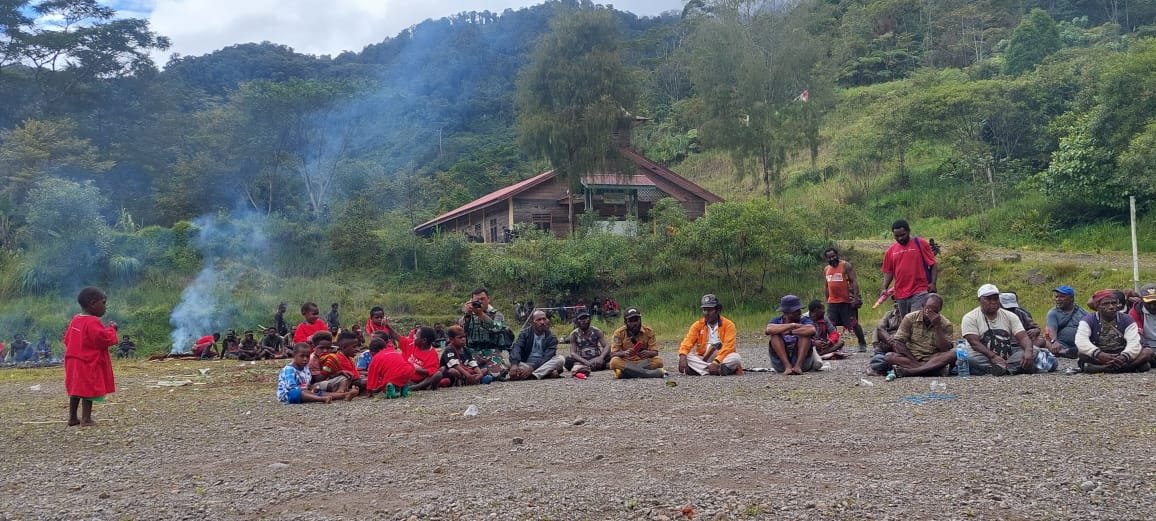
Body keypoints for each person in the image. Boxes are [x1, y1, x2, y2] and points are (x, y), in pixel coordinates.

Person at [63, 287, 119, 427]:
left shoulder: (75, 319)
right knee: (87, 390)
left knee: (76, 390)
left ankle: (72, 418)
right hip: (87, 362)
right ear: (93, 303)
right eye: (103, 303)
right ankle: (86, 418)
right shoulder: (92, 322)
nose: (105, 307)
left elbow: (67, 339)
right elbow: (102, 339)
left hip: (72, 360)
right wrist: (112, 329)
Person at [961, 284, 1038, 376]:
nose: (993, 302)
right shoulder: (970, 317)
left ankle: (1001, 369)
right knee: (969, 357)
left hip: (1007, 354)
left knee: (1034, 350)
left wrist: (1028, 351)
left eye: (996, 299)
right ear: (980, 300)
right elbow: (974, 344)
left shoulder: (1010, 316)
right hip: (983, 355)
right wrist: (993, 356)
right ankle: (1014, 367)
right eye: (988, 299)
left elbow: (1023, 337)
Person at [1074, 289, 1153, 373]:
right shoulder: (1088, 320)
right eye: (1105, 304)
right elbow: (1081, 340)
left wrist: (1124, 356)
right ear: (1097, 307)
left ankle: (1105, 368)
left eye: (1114, 303)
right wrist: (1099, 354)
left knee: (1147, 352)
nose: (1111, 307)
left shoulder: (1127, 319)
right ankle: (1126, 368)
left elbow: (1134, 342)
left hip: (1122, 353)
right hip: (1100, 354)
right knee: (1082, 354)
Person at [877, 293, 954, 378]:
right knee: (889, 356)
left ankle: (910, 372)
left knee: (953, 354)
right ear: (922, 306)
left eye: (935, 310)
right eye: (928, 308)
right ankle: (930, 371)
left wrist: (937, 327)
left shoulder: (946, 324)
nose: (930, 312)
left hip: (933, 358)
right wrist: (915, 362)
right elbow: (898, 342)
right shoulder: (910, 318)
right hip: (911, 357)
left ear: (939, 310)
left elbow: (945, 349)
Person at [880, 219, 938, 316]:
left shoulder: (920, 243)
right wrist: (884, 288)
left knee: (915, 319)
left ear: (908, 231)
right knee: (906, 321)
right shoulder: (891, 251)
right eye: (897, 236)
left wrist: (933, 283)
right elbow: (888, 272)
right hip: (900, 293)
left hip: (920, 290)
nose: (900, 238)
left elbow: (933, 265)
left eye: (903, 235)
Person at [678, 294, 740, 376]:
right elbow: (687, 342)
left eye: (710, 310)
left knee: (736, 358)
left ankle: (701, 370)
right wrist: (683, 356)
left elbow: (728, 347)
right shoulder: (697, 325)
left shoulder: (729, 325)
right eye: (704, 310)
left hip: (722, 358)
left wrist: (716, 362)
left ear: (718, 310)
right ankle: (716, 370)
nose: (706, 313)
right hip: (704, 358)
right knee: (683, 355)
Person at [823, 248, 868, 352]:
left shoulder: (845, 265)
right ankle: (835, 345)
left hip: (846, 301)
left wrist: (855, 298)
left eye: (833, 256)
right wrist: (827, 299)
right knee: (830, 324)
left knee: (853, 323)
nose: (832, 259)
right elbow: (827, 286)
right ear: (826, 259)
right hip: (832, 302)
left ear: (837, 255)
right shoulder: (826, 269)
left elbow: (854, 281)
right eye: (829, 257)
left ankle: (862, 343)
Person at [459, 287, 511, 376]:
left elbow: (496, 328)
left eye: (482, 299)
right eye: (476, 300)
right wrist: (467, 314)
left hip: (491, 351)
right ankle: (479, 374)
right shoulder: (469, 315)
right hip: (472, 352)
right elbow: (461, 332)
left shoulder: (497, 315)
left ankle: (481, 374)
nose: (480, 302)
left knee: (496, 374)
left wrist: (480, 314)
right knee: (461, 371)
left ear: (488, 299)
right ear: (471, 301)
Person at [765, 295, 821, 375]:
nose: (800, 312)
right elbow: (769, 329)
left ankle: (798, 366)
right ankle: (787, 366)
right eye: (796, 310)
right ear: (787, 312)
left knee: (805, 335)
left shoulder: (804, 320)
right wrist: (792, 325)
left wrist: (791, 332)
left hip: (803, 364)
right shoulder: (776, 320)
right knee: (775, 336)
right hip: (780, 364)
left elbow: (811, 329)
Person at [508, 310, 565, 380]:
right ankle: (544, 373)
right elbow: (517, 348)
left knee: (560, 359)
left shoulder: (551, 337)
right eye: (538, 320)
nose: (542, 322)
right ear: (532, 322)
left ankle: (532, 375)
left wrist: (531, 368)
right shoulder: (524, 334)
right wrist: (514, 364)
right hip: (525, 364)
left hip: (543, 364)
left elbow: (547, 357)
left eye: (544, 319)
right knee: (507, 362)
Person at [609, 308, 666, 379]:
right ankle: (653, 373)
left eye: (636, 320)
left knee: (659, 361)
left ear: (640, 320)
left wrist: (648, 353)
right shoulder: (619, 333)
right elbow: (613, 354)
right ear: (625, 322)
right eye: (630, 321)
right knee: (614, 362)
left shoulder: (648, 331)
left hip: (643, 362)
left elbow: (655, 352)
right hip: (627, 362)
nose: (634, 323)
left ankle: (625, 374)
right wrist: (624, 353)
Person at [1045, 285, 1087, 359]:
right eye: (1056, 297)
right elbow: (1051, 330)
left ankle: (1073, 352)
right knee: (1049, 344)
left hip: (1080, 344)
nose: (1058, 299)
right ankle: (1068, 352)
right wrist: (1054, 342)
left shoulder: (1082, 312)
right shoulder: (1053, 313)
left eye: (1062, 297)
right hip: (1061, 344)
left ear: (1071, 298)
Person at [565, 310, 610, 377]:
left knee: (610, 355)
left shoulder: (596, 331)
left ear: (589, 319)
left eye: (585, 318)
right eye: (581, 319)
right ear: (577, 321)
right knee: (568, 361)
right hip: (582, 359)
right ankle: (592, 366)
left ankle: (584, 367)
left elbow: (606, 345)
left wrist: (601, 357)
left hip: (596, 357)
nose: (584, 321)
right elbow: (573, 353)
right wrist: (585, 362)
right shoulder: (574, 334)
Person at [320, 331, 364, 396]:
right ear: (344, 347)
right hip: (344, 382)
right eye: (354, 347)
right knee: (364, 382)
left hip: (350, 381)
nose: (357, 349)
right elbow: (352, 377)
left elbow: (355, 374)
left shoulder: (349, 358)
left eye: (358, 346)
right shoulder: (337, 358)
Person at [867, 303, 904, 375]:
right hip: (888, 340)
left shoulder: (909, 314)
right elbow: (880, 327)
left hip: (900, 341)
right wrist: (877, 343)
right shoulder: (889, 314)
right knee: (880, 359)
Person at [1128, 283, 1156, 350]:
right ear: (1141, 300)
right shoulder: (1135, 312)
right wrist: (1146, 348)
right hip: (1146, 345)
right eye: (1148, 303)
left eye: (1155, 303)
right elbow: (1137, 334)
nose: (1153, 307)